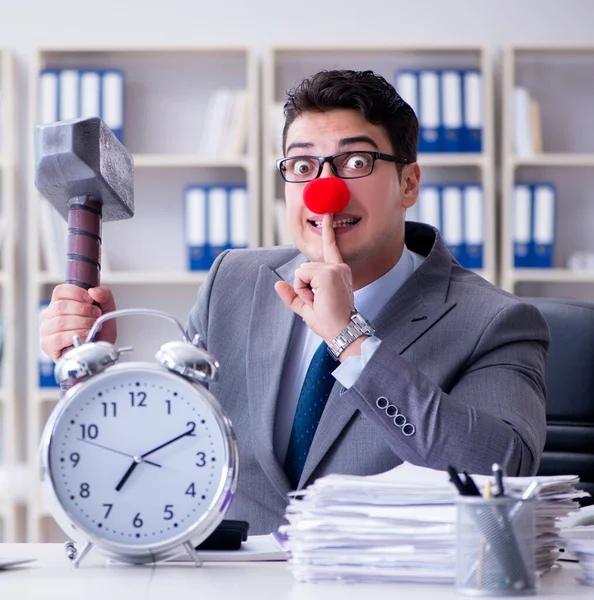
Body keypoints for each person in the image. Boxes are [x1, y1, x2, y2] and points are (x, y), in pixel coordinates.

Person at [40, 69, 549, 535]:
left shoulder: (495, 320)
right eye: (303, 165)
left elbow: (500, 473)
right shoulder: (233, 282)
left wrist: (352, 339)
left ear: (408, 182)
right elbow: (166, 450)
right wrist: (93, 375)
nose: (324, 191)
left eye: (356, 161)